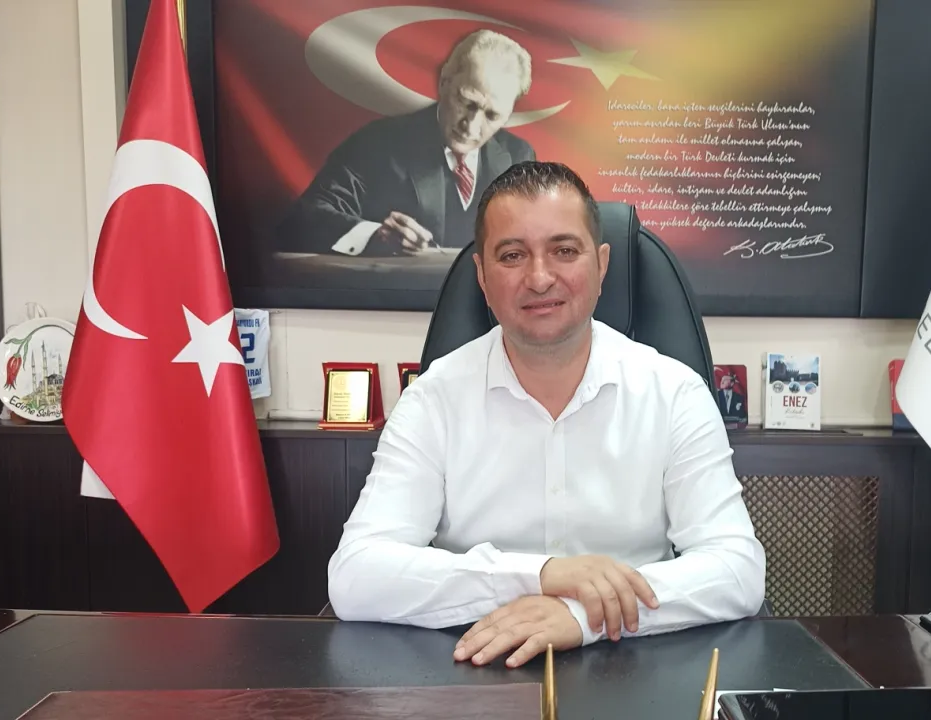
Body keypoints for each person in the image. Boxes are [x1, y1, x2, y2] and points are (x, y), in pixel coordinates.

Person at [327, 161, 766, 668]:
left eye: (564, 251)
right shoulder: (433, 400)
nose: (539, 278)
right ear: (483, 276)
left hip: (637, 667)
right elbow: (356, 575)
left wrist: (581, 615)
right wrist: (540, 576)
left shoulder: (674, 394)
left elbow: (736, 569)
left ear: (602, 265)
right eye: (512, 255)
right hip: (471, 667)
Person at [279, 30, 537, 257]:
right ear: (444, 82)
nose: (470, 126)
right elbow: (303, 219)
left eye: (492, 116)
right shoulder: (377, 143)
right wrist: (374, 235)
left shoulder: (519, 156)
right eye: (466, 102)